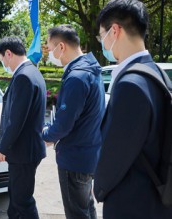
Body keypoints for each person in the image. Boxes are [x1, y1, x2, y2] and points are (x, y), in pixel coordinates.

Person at [93, 0, 172, 219]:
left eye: (102, 36)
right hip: (156, 197)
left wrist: (99, 187)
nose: (103, 43)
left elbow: (115, 152)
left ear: (114, 31)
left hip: (133, 202)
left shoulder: (130, 84)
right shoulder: (157, 73)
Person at [43, 24, 105, 219]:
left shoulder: (77, 77)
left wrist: (46, 135)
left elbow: (64, 123)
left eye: (50, 48)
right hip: (88, 153)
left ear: (61, 47)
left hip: (75, 158)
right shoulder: (90, 70)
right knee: (86, 209)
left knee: (77, 213)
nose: (49, 53)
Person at [0, 36, 46, 219]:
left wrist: (3, 147)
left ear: (8, 53)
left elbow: (17, 119)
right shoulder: (31, 71)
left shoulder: (23, 76)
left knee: (22, 202)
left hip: (23, 151)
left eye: (1, 59)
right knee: (16, 200)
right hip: (27, 149)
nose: (3, 63)